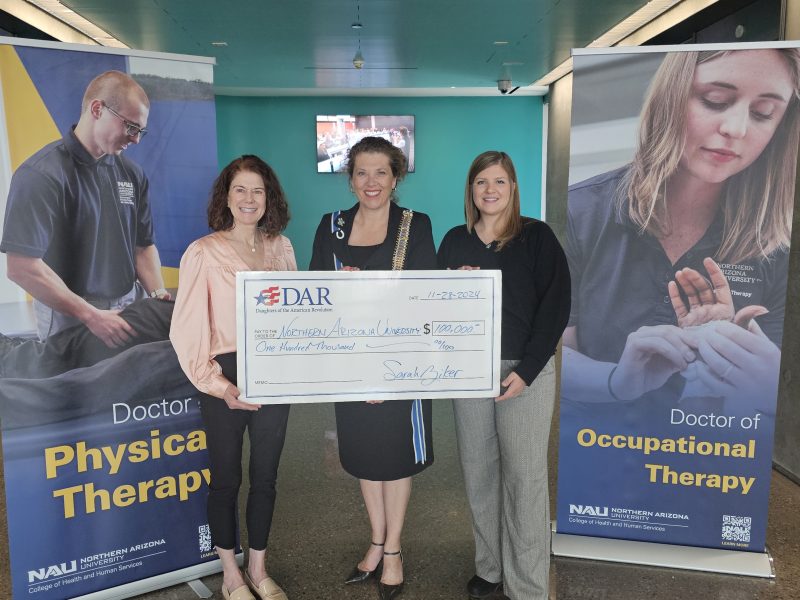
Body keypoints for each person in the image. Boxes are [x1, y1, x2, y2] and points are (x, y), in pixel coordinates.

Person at [563, 48, 800, 416]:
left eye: (762, 114)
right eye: (715, 101)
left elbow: (770, 411)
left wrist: (766, 388)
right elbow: (556, 355)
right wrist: (616, 380)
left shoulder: (778, 246)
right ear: (670, 98)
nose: (735, 129)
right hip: (597, 450)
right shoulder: (583, 212)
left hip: (714, 461)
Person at [437, 151, 570, 600]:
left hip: (523, 371)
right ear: (470, 190)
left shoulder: (536, 237)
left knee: (526, 477)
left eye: (499, 181)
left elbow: (555, 308)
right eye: (481, 182)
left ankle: (528, 585)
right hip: (468, 370)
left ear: (513, 188)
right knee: (479, 470)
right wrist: (454, 284)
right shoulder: (455, 240)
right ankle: (490, 567)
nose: (489, 190)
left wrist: (529, 370)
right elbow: (433, 307)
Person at [309, 136, 436, 599]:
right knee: (365, 456)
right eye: (362, 172)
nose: (371, 182)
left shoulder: (413, 225)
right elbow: (315, 293)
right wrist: (337, 288)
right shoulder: (332, 226)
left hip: (401, 362)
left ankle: (395, 549)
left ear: (396, 177)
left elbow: (423, 296)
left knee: (396, 457)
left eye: (381, 172)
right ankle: (376, 541)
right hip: (350, 362)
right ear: (350, 179)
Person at [170, 155, 295, 600]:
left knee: (266, 476)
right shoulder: (203, 252)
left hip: (274, 375)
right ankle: (230, 574)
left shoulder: (282, 248)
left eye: (257, 190)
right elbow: (186, 330)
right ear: (227, 196)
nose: (249, 198)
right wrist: (222, 387)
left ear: (269, 198)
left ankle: (258, 568)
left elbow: (297, 317)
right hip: (224, 377)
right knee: (225, 478)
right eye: (240, 189)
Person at [0, 70, 169, 348]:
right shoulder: (41, 174)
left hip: (129, 304)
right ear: (97, 109)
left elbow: (143, 247)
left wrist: (157, 294)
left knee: (134, 386)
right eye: (130, 126)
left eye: (140, 130)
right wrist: (90, 315)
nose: (136, 139)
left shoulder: (132, 174)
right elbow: (21, 267)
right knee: (74, 388)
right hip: (70, 314)